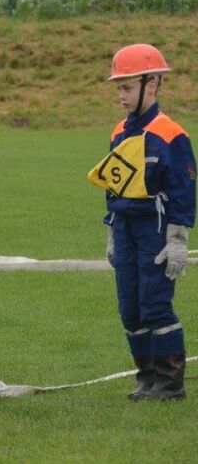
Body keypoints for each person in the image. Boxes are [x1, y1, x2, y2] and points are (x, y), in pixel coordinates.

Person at [88, 44, 196, 401]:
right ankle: (147, 377)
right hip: (125, 227)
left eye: (127, 87)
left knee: (155, 304)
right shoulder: (119, 132)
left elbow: (183, 188)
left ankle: (169, 383)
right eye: (119, 87)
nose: (121, 95)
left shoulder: (171, 134)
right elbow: (111, 184)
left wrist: (177, 240)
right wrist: (111, 233)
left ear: (152, 84)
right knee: (129, 307)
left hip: (156, 230)